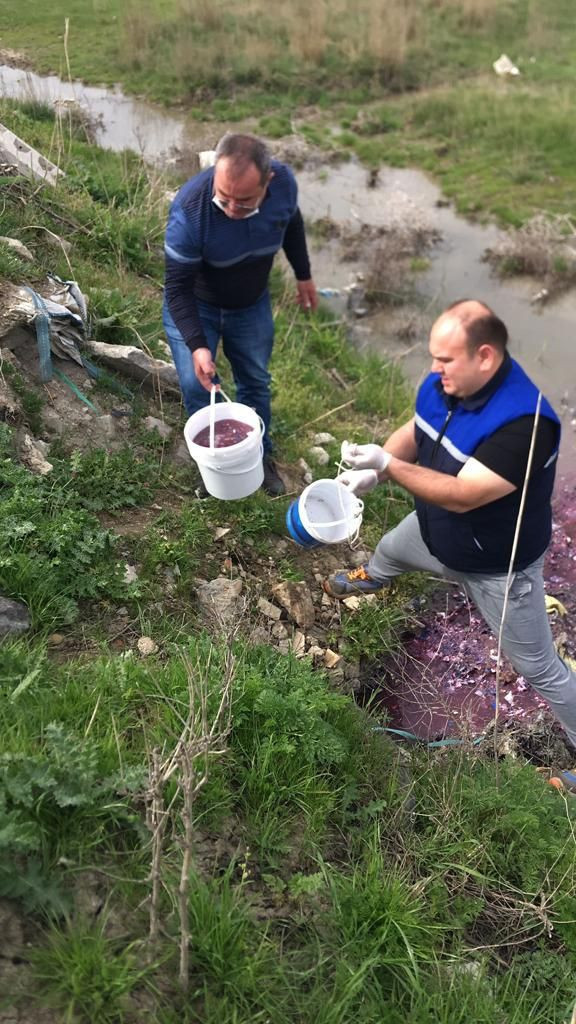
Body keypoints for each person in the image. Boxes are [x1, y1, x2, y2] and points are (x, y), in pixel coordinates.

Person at [324, 299, 576, 758]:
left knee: (539, 668)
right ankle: (373, 578)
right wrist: (376, 470)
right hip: (433, 529)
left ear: (485, 356)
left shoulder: (527, 423)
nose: (434, 368)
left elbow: (464, 493)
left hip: (497, 567)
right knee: (389, 550)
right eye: (433, 357)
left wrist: (391, 467)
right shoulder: (447, 382)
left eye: (444, 359)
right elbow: (415, 429)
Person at [163, 132, 317, 497]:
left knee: (255, 381)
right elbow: (177, 290)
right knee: (195, 383)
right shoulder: (191, 211)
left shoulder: (285, 185)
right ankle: (215, 466)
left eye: (245, 202)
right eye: (224, 197)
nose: (231, 210)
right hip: (197, 304)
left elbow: (290, 224)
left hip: (250, 303)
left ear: (269, 181)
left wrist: (304, 275)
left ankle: (259, 456)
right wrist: (199, 346)